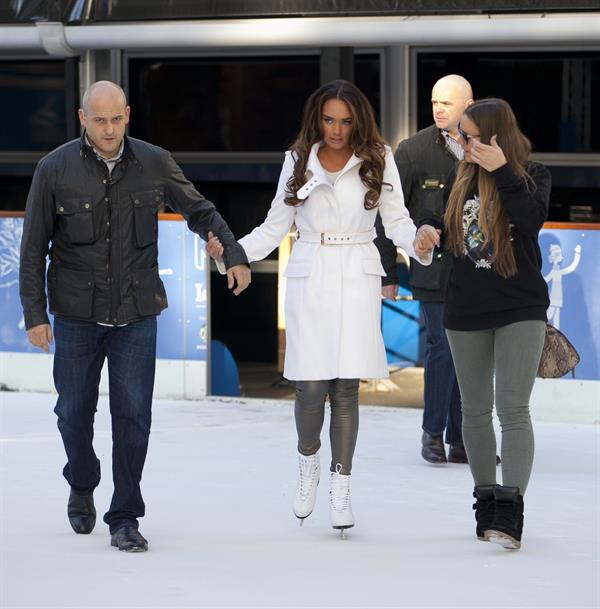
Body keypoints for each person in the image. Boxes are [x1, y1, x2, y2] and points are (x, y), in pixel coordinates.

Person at [19, 81, 250, 552]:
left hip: (137, 314)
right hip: (77, 317)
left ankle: (124, 515)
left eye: (116, 119)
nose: (108, 130)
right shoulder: (54, 169)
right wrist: (34, 314)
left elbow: (200, 211)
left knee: (133, 418)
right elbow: (31, 250)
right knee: (72, 414)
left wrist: (234, 252)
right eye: (98, 120)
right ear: (82, 118)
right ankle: (82, 481)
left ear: (127, 115)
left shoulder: (154, 162)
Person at [207, 80, 438, 534]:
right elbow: (274, 227)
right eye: (330, 120)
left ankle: (342, 484)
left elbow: (397, 222)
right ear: (318, 118)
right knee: (310, 387)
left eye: (346, 121)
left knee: (346, 388)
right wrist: (231, 253)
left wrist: (420, 242)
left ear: (359, 121)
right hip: (310, 275)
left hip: (357, 271)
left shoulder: (378, 157)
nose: (337, 130)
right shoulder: (296, 161)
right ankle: (308, 463)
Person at [420, 98, 551, 549]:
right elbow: (443, 223)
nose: (461, 142)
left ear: (495, 136)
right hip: (466, 309)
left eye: (469, 135)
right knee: (473, 411)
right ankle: (486, 501)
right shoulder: (460, 177)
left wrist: (502, 172)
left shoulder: (532, 175)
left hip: (521, 307)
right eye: (461, 134)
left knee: (513, 408)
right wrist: (427, 229)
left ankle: (511, 509)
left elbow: (532, 220)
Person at [375, 74, 474, 465]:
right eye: (434, 101)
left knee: (470, 354)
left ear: (469, 103)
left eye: (447, 102)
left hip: (478, 272)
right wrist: (388, 273)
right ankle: (433, 433)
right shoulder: (413, 151)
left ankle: (463, 438)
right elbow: (386, 215)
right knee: (443, 349)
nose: (438, 108)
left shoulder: (483, 148)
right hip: (433, 270)